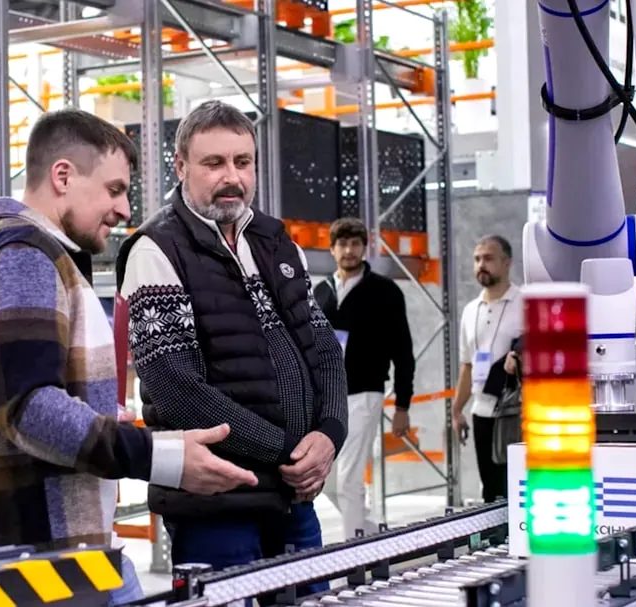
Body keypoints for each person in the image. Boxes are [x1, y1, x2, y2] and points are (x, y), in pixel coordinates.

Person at [0, 108, 258, 568]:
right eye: (114, 190)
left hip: (8, 554)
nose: (125, 210)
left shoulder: (7, 254)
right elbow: (28, 407)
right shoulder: (23, 255)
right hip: (19, 558)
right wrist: (159, 457)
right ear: (63, 176)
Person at [115, 100, 348, 593]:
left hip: (292, 502)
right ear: (180, 167)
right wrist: (289, 453)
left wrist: (329, 435)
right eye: (214, 163)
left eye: (242, 162)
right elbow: (177, 391)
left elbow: (324, 349)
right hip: (217, 508)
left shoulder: (277, 242)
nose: (232, 177)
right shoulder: (156, 249)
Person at [313, 217, 415, 540]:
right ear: (331, 249)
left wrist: (403, 405)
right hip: (327, 398)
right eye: (342, 244)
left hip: (365, 393)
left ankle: (353, 557)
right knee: (325, 479)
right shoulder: (320, 292)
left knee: (349, 480)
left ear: (365, 247)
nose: (349, 250)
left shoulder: (385, 292)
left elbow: (403, 349)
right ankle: (370, 534)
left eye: (355, 243)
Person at [451, 235, 522, 504]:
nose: (481, 264)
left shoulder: (525, 303)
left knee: (514, 484)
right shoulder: (470, 311)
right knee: (490, 488)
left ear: (507, 263)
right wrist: (457, 410)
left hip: (515, 411)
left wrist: (519, 355)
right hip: (482, 412)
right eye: (477, 259)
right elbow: (467, 365)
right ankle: (496, 542)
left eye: (489, 259)